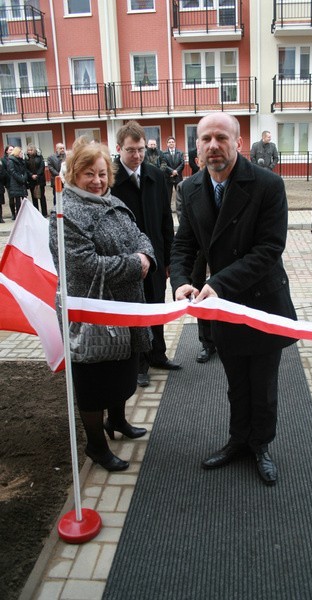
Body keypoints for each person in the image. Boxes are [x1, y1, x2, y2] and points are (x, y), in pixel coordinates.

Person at [170, 112, 297, 486]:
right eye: (205, 139)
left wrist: (220, 283)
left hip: (261, 301)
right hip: (219, 305)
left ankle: (260, 445)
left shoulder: (267, 185)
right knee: (236, 382)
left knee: (263, 385)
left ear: (238, 143)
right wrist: (180, 281)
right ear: (197, 147)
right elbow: (184, 243)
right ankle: (238, 440)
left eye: (221, 138)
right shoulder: (190, 188)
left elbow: (269, 249)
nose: (213, 146)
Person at [49, 141, 156, 472]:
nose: (96, 180)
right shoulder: (66, 213)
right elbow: (83, 264)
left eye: (101, 173)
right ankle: (96, 445)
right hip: (92, 313)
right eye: (88, 174)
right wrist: (135, 266)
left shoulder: (112, 200)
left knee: (123, 370)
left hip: (124, 307)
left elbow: (139, 234)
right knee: (94, 383)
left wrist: (145, 255)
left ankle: (118, 422)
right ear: (73, 174)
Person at [111, 120, 180, 388]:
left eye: (140, 149)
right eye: (131, 150)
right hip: (127, 261)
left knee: (156, 307)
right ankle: (139, 364)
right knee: (136, 313)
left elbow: (166, 218)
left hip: (156, 257)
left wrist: (168, 258)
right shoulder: (112, 180)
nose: (137, 155)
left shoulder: (155, 175)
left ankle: (158, 354)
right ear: (119, 148)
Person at [175, 154, 216, 363]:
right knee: (200, 293)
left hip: (220, 253)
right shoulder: (186, 187)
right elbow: (184, 217)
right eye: (200, 157)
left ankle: (223, 337)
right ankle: (206, 343)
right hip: (199, 251)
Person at [25, 144, 48, 217]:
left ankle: (44, 213)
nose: (30, 152)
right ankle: (36, 213)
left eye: (31, 150)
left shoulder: (39, 157)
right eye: (28, 150)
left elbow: (42, 167)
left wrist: (37, 175)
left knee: (42, 197)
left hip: (40, 180)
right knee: (34, 197)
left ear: (34, 150)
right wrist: (31, 175)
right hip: (31, 180)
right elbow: (25, 169)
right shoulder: (26, 159)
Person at [161, 136, 185, 204]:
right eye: (169, 142)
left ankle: (179, 209)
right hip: (168, 177)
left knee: (179, 195)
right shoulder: (164, 154)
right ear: (167, 144)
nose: (171, 143)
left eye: (172, 142)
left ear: (175, 143)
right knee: (168, 195)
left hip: (178, 177)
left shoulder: (180, 153)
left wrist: (176, 171)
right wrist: (172, 171)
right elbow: (164, 164)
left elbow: (182, 163)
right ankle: (169, 211)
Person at [8, 146, 28, 220]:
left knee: (24, 199)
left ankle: (25, 215)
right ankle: (19, 216)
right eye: (20, 152)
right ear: (17, 152)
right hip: (16, 183)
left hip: (22, 182)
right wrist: (20, 178)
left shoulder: (22, 161)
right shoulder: (11, 161)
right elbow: (12, 172)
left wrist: (24, 177)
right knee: (17, 201)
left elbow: (25, 170)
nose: (21, 154)